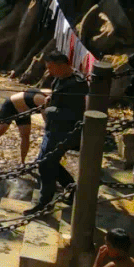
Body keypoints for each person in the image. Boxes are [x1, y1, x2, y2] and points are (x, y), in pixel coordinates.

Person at [31, 50, 89, 207]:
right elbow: (59, 97)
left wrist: (48, 110)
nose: (49, 72)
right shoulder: (59, 78)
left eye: (51, 68)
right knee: (43, 162)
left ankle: (44, 201)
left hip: (65, 131)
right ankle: (71, 187)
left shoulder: (76, 84)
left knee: (46, 163)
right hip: (52, 128)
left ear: (61, 66)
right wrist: (51, 99)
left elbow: (71, 112)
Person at [0, 90, 49, 168]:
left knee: (25, 136)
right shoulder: (43, 99)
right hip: (10, 106)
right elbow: (47, 121)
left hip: (24, 111)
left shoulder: (50, 98)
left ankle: (22, 162)